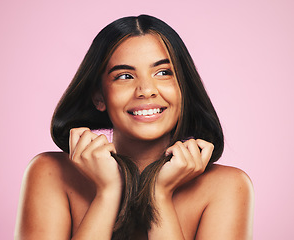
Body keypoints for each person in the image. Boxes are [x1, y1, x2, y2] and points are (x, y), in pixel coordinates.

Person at [15, 15, 254, 240]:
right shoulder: (51, 173)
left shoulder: (228, 187)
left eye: (163, 72)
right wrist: (107, 193)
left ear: (184, 88)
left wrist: (159, 196)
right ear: (99, 96)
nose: (146, 90)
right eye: (125, 76)